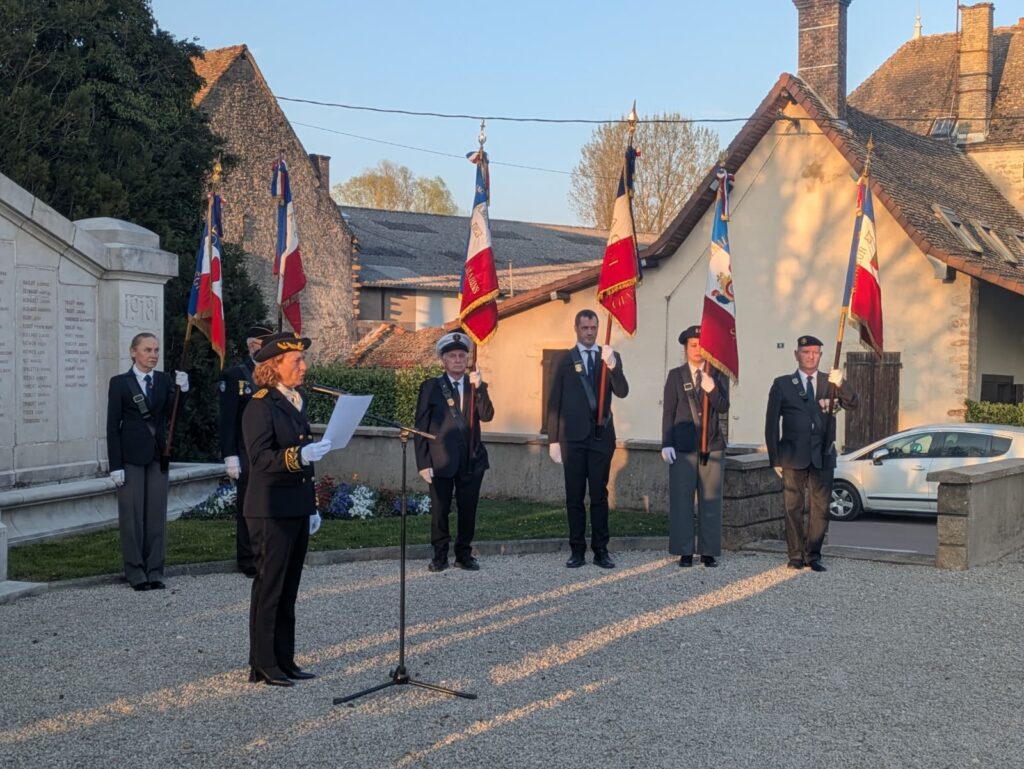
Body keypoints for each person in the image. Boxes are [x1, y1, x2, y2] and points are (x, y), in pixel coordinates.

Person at [242, 332, 331, 686]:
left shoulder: (296, 400)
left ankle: (285, 659)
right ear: (274, 367)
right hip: (270, 509)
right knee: (270, 587)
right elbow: (260, 458)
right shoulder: (260, 404)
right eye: (296, 361)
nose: (304, 366)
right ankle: (263, 663)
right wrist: (299, 456)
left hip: (294, 505)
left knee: (289, 587)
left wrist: (311, 506)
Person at [765, 334, 858, 572]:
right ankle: (795, 554)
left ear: (820, 355)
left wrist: (842, 383)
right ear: (796, 355)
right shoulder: (782, 384)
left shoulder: (830, 382)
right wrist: (774, 457)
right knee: (792, 507)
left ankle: (813, 555)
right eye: (806, 352)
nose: (810, 356)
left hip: (822, 454)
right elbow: (771, 423)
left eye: (815, 352)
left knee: (821, 508)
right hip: (792, 454)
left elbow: (853, 403)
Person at [545, 309, 629, 568]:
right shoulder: (564, 360)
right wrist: (553, 440)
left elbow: (622, 391)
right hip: (573, 438)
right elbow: (554, 403)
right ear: (576, 328)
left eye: (593, 328)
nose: (590, 333)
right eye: (585, 328)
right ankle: (577, 550)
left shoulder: (610, 357)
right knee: (574, 496)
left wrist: (613, 367)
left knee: (599, 495)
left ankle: (601, 550)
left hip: (601, 436)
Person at [106, 332, 189, 591]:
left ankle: (155, 569)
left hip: (157, 455)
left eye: (156, 350)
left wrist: (182, 391)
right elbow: (112, 427)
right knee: (132, 516)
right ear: (133, 352)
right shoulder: (120, 383)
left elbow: (173, 415)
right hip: (130, 457)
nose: (153, 355)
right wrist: (115, 465)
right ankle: (135, 571)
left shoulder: (164, 381)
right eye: (147, 350)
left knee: (156, 515)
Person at [414, 331, 495, 573]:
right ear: (444, 360)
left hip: (471, 460)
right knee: (440, 510)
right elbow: (421, 427)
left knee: (468, 510)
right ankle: (440, 555)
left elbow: (488, 415)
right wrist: (422, 462)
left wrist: (479, 389)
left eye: (462, 355)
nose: (458, 360)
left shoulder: (476, 386)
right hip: (441, 460)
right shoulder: (431, 387)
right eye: (452, 356)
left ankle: (464, 554)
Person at [661, 325, 730, 568]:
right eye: (692, 345)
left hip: (712, 445)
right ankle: (685, 551)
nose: (697, 349)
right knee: (682, 500)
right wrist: (666, 443)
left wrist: (712, 390)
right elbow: (668, 411)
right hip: (682, 447)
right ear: (685, 348)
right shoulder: (676, 375)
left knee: (710, 500)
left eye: (701, 345)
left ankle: (709, 551)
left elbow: (723, 408)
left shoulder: (719, 375)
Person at [218, 324, 272, 577]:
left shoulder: (276, 374)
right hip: (245, 451)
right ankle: (248, 559)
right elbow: (227, 419)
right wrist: (230, 455)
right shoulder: (235, 376)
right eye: (259, 344)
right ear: (251, 346)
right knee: (248, 508)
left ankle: (269, 554)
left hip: (271, 451)